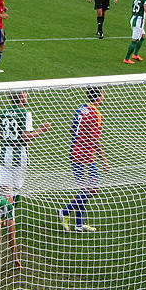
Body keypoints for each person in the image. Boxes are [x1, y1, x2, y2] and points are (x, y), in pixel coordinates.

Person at [58, 87, 109, 232]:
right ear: (98, 97)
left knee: (84, 189)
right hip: (84, 156)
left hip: (75, 151)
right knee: (93, 189)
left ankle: (79, 224)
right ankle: (65, 211)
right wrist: (104, 160)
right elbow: (95, 139)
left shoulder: (82, 108)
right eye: (103, 94)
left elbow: (72, 129)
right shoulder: (95, 114)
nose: (104, 97)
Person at [0, 91, 51, 206]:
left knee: (4, 189)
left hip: (3, 155)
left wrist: (9, 138)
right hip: (18, 156)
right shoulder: (25, 113)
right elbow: (26, 137)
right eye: (25, 95)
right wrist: (41, 130)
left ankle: (1, 215)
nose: (27, 97)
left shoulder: (3, 112)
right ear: (21, 97)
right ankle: (11, 214)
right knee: (15, 190)